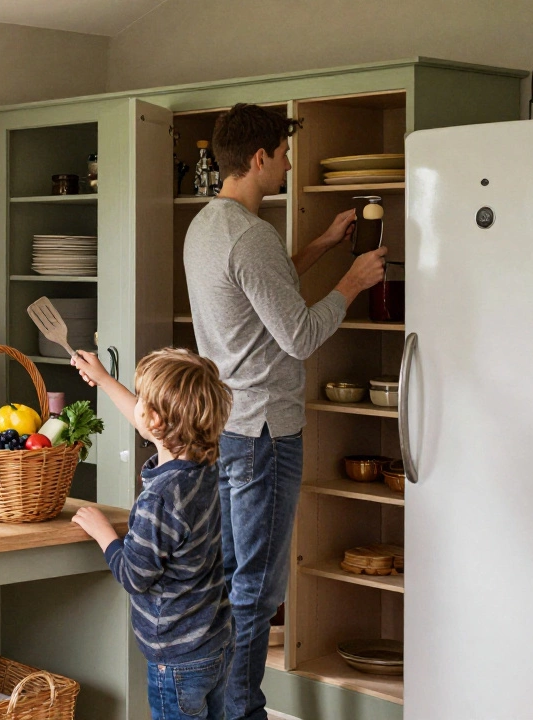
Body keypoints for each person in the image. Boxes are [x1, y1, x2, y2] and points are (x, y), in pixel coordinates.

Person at [183, 103, 388, 720]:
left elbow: (259, 288)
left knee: (224, 580)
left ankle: (218, 706)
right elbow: (298, 334)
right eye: (284, 152)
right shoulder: (253, 235)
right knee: (256, 589)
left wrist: (323, 245)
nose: (290, 162)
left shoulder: (209, 226)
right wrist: (350, 282)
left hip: (223, 428)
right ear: (258, 158)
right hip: (264, 434)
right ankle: (242, 711)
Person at [70, 347, 234, 720]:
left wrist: (103, 534)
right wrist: (104, 379)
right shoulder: (207, 466)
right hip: (215, 643)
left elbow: (134, 576)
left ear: (157, 421)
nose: (138, 405)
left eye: (142, 399)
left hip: (176, 660)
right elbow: (147, 419)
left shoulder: (159, 500)